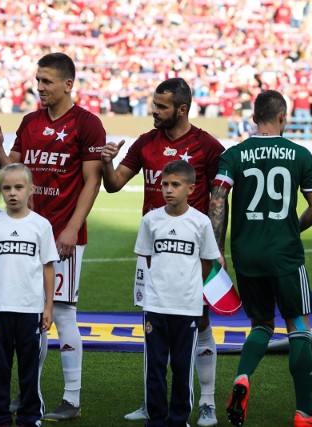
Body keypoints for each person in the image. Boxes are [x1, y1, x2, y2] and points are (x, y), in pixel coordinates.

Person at [0, 52, 105, 421]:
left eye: (47, 81)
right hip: (26, 231)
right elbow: (13, 173)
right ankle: (28, 394)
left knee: (63, 312)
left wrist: (71, 227)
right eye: (38, 81)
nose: (40, 87)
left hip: (63, 236)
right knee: (27, 313)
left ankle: (71, 397)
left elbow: (92, 180)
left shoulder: (87, 123)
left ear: (68, 84)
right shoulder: (30, 121)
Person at [209, 90, 312, 427]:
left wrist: (217, 250)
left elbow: (218, 198)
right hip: (284, 254)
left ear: (254, 118)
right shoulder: (300, 154)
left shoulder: (235, 154)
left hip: (246, 254)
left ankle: (242, 378)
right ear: (283, 117)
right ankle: (307, 413)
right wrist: (291, 229)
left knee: (262, 324)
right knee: (298, 326)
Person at [101, 77, 224, 426]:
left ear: (181, 109)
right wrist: (108, 161)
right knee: (151, 321)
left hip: (190, 252)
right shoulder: (145, 143)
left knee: (200, 323)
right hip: (152, 253)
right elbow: (113, 185)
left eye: (161, 106)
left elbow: (220, 199)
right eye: (154, 104)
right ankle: (150, 403)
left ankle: (207, 403)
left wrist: (217, 247)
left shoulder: (207, 146)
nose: (153, 111)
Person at [135, 159, 220, 427]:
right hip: (156, 305)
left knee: (182, 367)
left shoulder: (201, 222)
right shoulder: (151, 220)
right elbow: (148, 258)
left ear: (191, 189)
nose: (168, 190)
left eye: (175, 184)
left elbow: (207, 263)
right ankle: (156, 418)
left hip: (187, 307)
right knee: (155, 367)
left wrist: (190, 288)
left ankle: (179, 418)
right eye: (164, 185)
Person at [0, 163, 59, 427]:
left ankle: (30, 415)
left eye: (19, 187)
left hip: (30, 308)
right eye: (7, 188)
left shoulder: (41, 225)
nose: (13, 193)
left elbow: (48, 267)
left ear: (31, 190)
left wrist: (48, 307)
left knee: (28, 367)